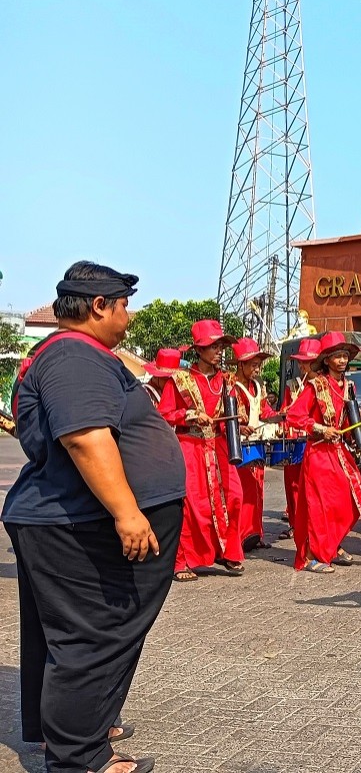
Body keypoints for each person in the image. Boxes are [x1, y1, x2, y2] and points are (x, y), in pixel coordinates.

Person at [4, 261, 182, 773]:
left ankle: (74, 729)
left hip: (72, 519)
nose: (129, 316)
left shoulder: (80, 356)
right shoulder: (73, 356)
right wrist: (128, 514)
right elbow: (85, 436)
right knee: (93, 636)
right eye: (124, 305)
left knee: (76, 634)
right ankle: (80, 759)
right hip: (79, 523)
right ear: (98, 305)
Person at [284, 332, 361, 573]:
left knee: (350, 501)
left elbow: (349, 416)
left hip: (338, 451)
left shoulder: (349, 386)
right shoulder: (315, 385)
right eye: (337, 355)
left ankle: (331, 544)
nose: (342, 360)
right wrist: (320, 429)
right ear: (326, 360)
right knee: (320, 507)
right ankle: (313, 555)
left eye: (345, 355)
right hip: (318, 453)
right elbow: (295, 416)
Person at [158, 319, 245, 582]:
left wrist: (239, 418)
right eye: (213, 346)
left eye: (221, 346)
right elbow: (163, 414)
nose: (219, 351)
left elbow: (235, 409)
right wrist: (189, 415)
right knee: (192, 505)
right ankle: (182, 561)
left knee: (234, 496)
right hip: (191, 446)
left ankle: (227, 552)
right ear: (199, 350)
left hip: (218, 446)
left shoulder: (227, 380)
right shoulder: (181, 380)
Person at [228, 336, 276, 553]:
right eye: (253, 365)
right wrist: (239, 427)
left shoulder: (258, 385)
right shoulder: (230, 385)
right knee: (242, 491)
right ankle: (238, 537)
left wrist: (277, 417)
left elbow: (264, 410)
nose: (257, 369)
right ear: (241, 364)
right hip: (237, 445)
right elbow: (226, 414)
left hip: (257, 442)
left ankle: (255, 534)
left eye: (258, 365)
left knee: (257, 491)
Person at [279, 337, 321, 540]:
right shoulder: (292, 385)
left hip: (315, 439)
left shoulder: (323, 384)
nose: (302, 366)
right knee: (293, 483)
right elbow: (285, 410)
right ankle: (296, 523)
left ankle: (312, 525)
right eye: (300, 361)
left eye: (306, 361)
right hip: (295, 436)